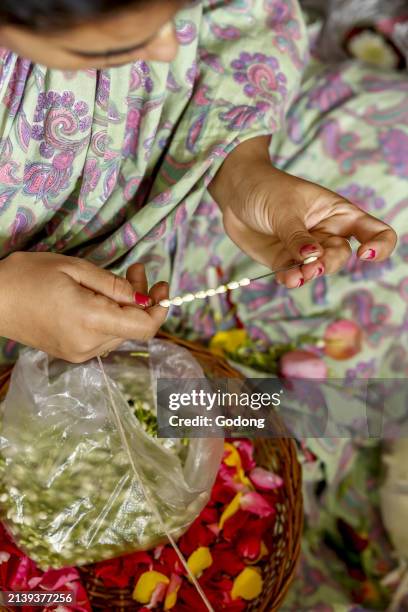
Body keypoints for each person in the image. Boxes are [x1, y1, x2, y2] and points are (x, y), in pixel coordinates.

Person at [0, 0, 396, 364]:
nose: (169, 48)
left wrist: (242, 170)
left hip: (185, 183)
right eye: (111, 45)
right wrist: (10, 304)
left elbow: (240, 22)